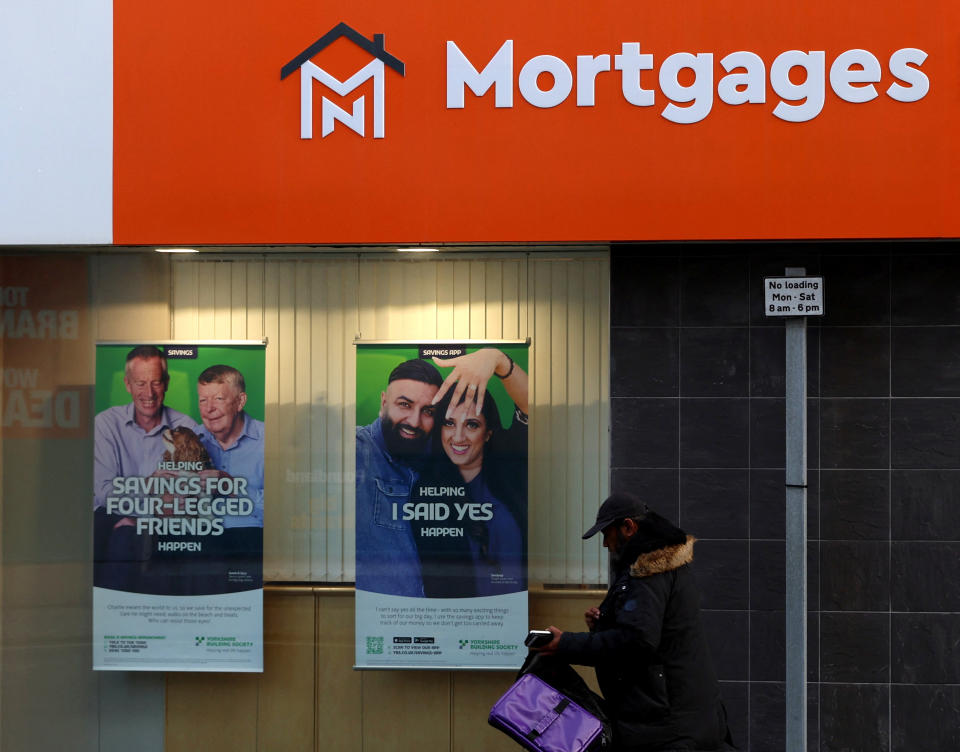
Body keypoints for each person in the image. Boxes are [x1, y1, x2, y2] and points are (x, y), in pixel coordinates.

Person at [534, 493, 734, 751]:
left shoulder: (650, 571)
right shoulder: (658, 567)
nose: (605, 544)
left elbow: (637, 641)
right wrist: (604, 623)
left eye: (607, 533)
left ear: (628, 527)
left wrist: (565, 643)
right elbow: (649, 629)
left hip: (667, 729)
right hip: (677, 720)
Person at [355, 347, 520, 597]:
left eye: (428, 412)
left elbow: (528, 415)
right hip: (384, 618)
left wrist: (497, 359)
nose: (414, 421)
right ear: (383, 403)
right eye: (404, 404)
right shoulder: (358, 450)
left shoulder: (439, 456)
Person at [412, 351, 528, 598]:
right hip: (452, 620)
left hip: (507, 619)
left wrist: (497, 359)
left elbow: (532, 405)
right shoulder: (424, 489)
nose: (458, 437)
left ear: (488, 433)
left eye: (472, 424)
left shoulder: (510, 469)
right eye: (449, 423)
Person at [93, 345, 199, 590]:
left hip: (167, 522)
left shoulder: (186, 427)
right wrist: (151, 488)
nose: (148, 393)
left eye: (156, 382)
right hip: (116, 521)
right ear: (127, 384)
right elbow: (104, 492)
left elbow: (187, 495)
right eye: (140, 383)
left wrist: (141, 518)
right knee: (120, 537)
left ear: (167, 383)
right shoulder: (106, 424)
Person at [194, 364, 264, 592]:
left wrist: (233, 487)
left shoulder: (269, 440)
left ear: (240, 401)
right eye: (203, 400)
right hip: (198, 541)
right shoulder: (189, 439)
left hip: (250, 541)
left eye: (218, 399)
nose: (209, 409)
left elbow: (284, 511)